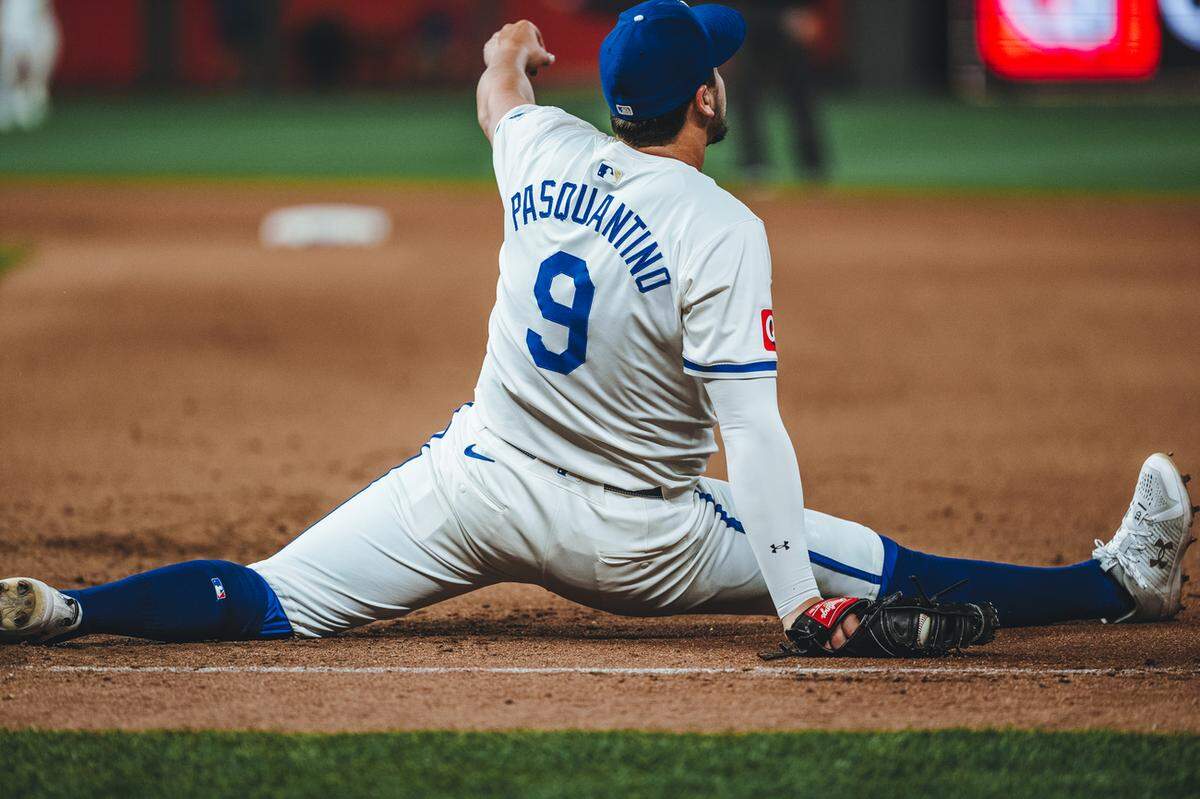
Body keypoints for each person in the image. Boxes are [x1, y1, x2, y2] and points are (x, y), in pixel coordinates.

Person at [1, 2, 1194, 654]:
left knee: (265, 599)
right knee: (878, 561)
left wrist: (504, 48)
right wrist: (793, 600)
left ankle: (70, 611)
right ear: (707, 98)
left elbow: (499, 100)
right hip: (640, 544)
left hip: (472, 491)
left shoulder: (545, 150)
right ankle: (1114, 584)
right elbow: (755, 438)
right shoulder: (719, 224)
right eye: (716, 66)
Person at [728, 0, 827, 182]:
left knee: (800, 96)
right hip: (751, 32)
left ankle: (812, 165)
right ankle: (754, 164)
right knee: (747, 98)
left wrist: (805, 16)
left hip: (790, 33)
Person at [0, 0, 60, 132]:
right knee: (14, 65)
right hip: (15, 27)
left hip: (34, 25)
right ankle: (13, 101)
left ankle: (28, 98)